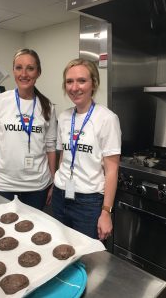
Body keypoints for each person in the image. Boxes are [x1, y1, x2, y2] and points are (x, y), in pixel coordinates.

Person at [51, 58, 121, 240]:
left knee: (89, 259)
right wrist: (55, 183)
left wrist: (106, 212)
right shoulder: (64, 117)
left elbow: (112, 170)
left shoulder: (107, 119)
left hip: (89, 202)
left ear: (93, 84)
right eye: (69, 81)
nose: (75, 87)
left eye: (82, 80)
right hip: (61, 194)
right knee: (59, 249)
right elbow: (63, 159)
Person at [0, 48, 57, 210]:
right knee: (2, 231)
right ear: (13, 70)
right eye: (19, 67)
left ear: (38, 72)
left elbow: (50, 148)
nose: (24, 74)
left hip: (37, 186)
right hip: (3, 185)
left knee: (34, 232)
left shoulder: (47, 106)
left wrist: (52, 182)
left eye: (30, 68)